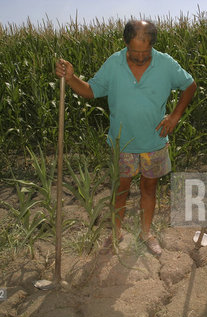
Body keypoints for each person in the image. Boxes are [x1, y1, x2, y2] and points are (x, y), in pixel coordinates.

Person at [55, 20, 197, 255]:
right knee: (120, 190)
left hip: (154, 142)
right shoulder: (114, 62)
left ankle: (146, 233)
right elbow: (91, 90)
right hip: (122, 143)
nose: (140, 57)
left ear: (153, 45)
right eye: (134, 52)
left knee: (149, 189)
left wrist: (175, 116)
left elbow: (190, 85)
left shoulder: (165, 63)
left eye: (145, 52)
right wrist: (71, 78)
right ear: (125, 44)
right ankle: (116, 232)